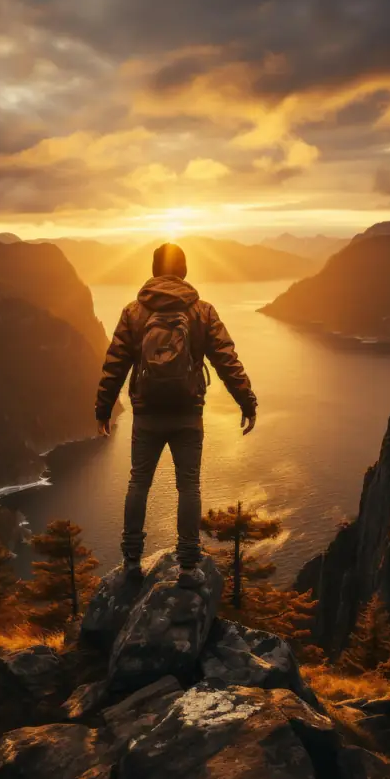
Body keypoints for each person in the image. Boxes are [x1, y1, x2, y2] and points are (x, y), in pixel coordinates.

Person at [95, 241, 257, 584]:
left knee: (139, 482)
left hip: (147, 413)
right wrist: (247, 402)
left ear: (154, 271)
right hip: (188, 412)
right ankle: (187, 566)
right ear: (184, 271)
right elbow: (226, 359)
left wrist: (103, 408)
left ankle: (132, 563)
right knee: (188, 486)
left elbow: (115, 364)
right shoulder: (202, 311)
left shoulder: (133, 312)